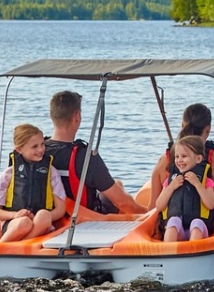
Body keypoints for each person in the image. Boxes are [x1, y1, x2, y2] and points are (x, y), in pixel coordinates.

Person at [139, 103, 214, 219]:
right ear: (208, 129)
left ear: (182, 126)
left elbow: (152, 210)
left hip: (172, 227)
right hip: (210, 230)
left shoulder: (163, 161)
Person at [43, 90, 146, 218]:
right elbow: (122, 203)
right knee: (118, 192)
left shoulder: (37, 149)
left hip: (49, 214)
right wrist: (149, 214)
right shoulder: (84, 156)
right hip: (84, 217)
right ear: (77, 117)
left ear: (52, 116)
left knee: (116, 184)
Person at [0, 123, 67, 242]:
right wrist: (15, 215)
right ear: (19, 149)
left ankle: (22, 244)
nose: (41, 150)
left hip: (40, 224)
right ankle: (1, 248)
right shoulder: (8, 175)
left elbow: (60, 210)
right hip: (14, 224)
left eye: (42, 144)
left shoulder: (52, 172)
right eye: (34, 146)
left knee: (44, 215)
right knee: (24, 223)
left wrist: (35, 219)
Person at [142, 135, 214, 241]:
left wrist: (197, 184)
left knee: (196, 223)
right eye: (177, 157)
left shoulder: (206, 181)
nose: (179, 160)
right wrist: (171, 187)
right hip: (180, 233)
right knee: (173, 221)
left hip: (199, 229)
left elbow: (210, 204)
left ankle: (194, 253)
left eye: (184, 156)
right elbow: (159, 205)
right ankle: (169, 252)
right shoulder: (171, 181)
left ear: (198, 159)